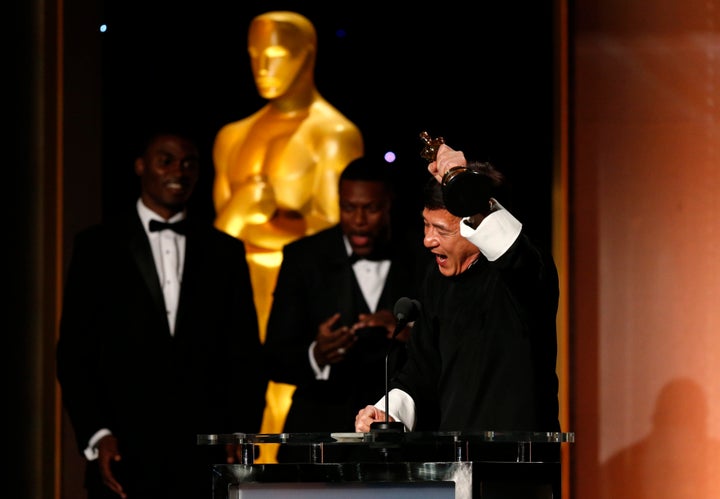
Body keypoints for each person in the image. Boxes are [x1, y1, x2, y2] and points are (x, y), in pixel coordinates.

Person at [56, 131, 268, 499]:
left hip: (203, 452)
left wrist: (241, 430)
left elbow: (245, 353)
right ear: (140, 166)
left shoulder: (225, 251)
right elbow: (75, 353)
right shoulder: (97, 246)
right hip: (124, 449)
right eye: (166, 160)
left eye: (189, 163)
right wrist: (97, 434)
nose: (178, 171)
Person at [212, 10, 364, 461]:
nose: (262, 67)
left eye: (275, 54)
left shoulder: (332, 135)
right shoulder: (232, 136)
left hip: (295, 293)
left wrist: (246, 221)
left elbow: (335, 238)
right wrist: (247, 213)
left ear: (306, 55)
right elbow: (220, 235)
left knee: (283, 398)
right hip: (239, 289)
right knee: (237, 394)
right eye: (254, 54)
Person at [355, 143, 560, 437]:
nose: (428, 240)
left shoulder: (526, 272)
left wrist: (463, 185)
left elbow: (515, 255)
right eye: (425, 225)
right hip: (454, 466)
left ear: (475, 224)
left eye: (441, 230)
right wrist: (388, 412)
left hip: (518, 468)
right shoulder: (437, 279)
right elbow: (422, 370)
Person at [263, 155, 431, 462]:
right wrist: (317, 354)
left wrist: (410, 333)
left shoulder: (425, 254)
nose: (359, 219)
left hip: (400, 444)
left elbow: (449, 343)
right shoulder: (303, 257)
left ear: (389, 203)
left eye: (371, 208)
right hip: (318, 439)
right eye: (349, 208)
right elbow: (274, 356)